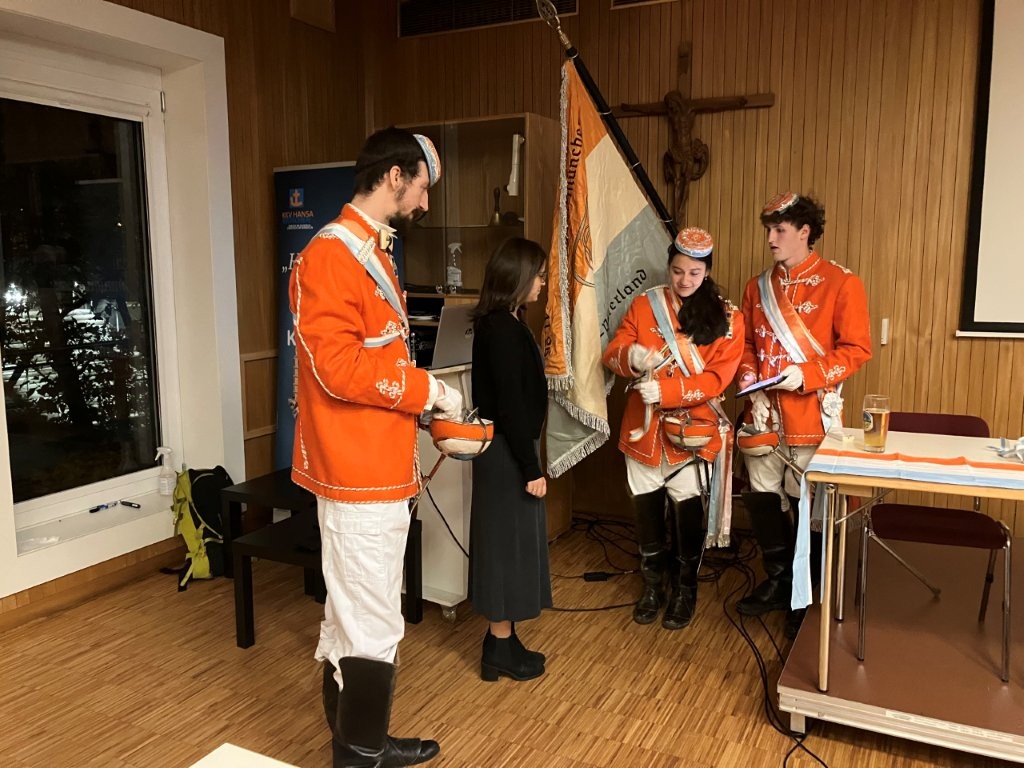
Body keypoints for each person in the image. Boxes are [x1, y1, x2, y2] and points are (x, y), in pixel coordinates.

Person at [290, 127, 461, 767]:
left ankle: (361, 744)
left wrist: (417, 406)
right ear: (395, 176)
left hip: (378, 466)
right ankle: (360, 756)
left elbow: (374, 363)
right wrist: (425, 390)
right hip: (356, 472)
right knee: (371, 623)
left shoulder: (372, 250)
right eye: (422, 187)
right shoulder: (332, 255)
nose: (424, 203)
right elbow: (337, 370)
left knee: (351, 619)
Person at [734, 192, 872, 637]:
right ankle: (778, 580)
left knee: (807, 506)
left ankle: (804, 590)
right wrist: (750, 380)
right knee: (762, 497)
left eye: (780, 230)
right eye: (768, 230)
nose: (771, 239)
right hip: (763, 416)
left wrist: (808, 375)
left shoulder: (841, 282)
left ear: (805, 232)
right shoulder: (756, 287)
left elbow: (856, 350)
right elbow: (747, 346)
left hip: (811, 416)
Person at [602, 227, 743, 630]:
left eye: (694, 273)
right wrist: (631, 356)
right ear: (669, 266)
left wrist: (664, 391)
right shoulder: (645, 305)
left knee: (686, 516)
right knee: (646, 512)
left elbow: (717, 379)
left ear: (707, 271)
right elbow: (612, 352)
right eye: (678, 271)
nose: (684, 280)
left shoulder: (729, 317)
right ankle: (653, 586)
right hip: (643, 431)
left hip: (691, 431)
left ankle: (685, 589)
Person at [468, 237, 552, 682]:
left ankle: (502, 639)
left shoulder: (506, 321)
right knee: (505, 548)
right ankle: (499, 646)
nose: (541, 282)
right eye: (537, 275)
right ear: (516, 277)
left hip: (509, 449)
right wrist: (530, 467)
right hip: (506, 454)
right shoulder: (501, 328)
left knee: (513, 546)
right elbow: (510, 406)